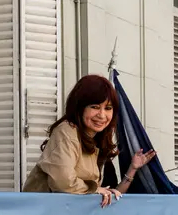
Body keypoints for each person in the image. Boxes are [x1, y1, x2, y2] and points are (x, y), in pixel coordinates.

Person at [23, 74, 156, 201]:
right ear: (80, 107)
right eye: (95, 107)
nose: (102, 115)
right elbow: (63, 182)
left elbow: (107, 192)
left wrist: (133, 168)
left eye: (108, 108)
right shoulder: (66, 130)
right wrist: (95, 190)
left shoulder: (97, 141)